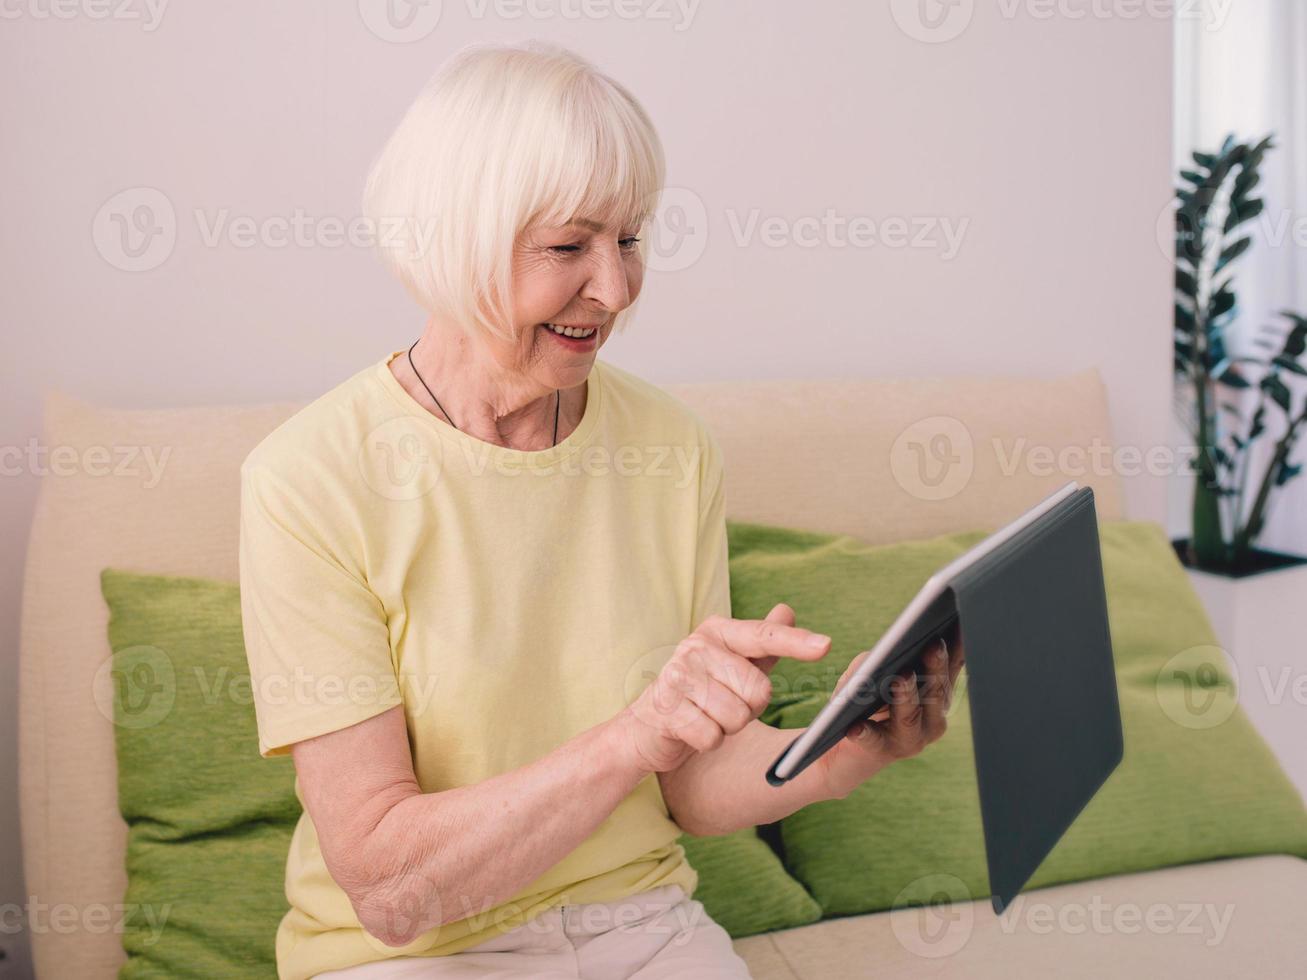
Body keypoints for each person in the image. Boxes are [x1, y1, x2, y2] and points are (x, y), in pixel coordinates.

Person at [237, 39, 963, 980]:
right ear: (457, 238)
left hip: (640, 925)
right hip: (414, 954)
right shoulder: (308, 478)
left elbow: (693, 788)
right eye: (566, 246)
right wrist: (631, 736)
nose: (613, 290)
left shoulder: (672, 445)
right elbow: (390, 892)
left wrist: (853, 747)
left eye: (627, 239)